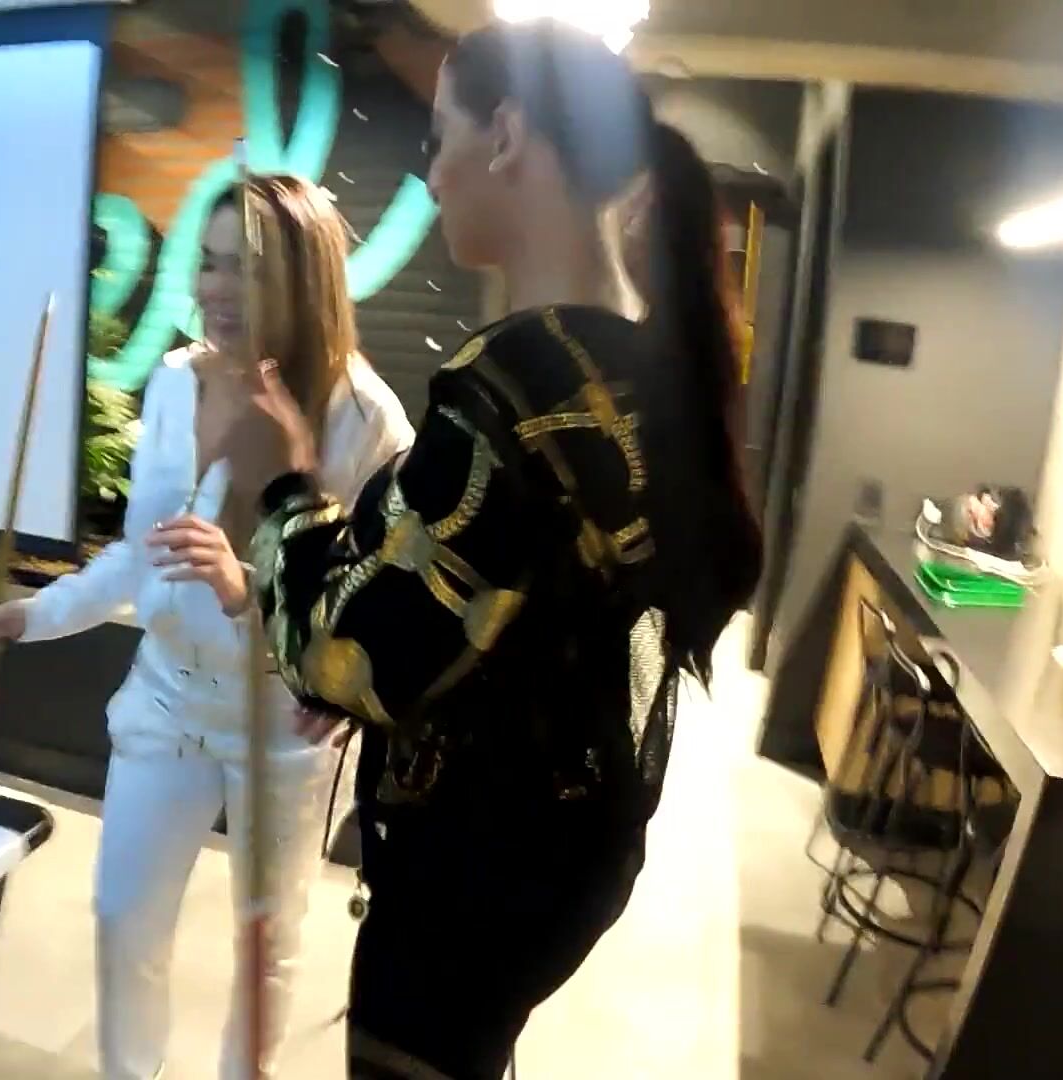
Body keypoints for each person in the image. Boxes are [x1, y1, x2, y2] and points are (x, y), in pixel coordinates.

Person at [189, 21, 763, 1080]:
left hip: (476, 878)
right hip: (566, 852)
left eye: (441, 136)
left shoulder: (516, 389)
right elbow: (499, 614)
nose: (430, 171)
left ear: (506, 135)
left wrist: (282, 482)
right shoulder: (632, 367)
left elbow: (339, 657)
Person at [0, 174, 413, 1080]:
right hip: (166, 699)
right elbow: (143, 552)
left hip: (281, 728)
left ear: (304, 281)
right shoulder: (174, 383)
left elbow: (369, 607)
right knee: (122, 915)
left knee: (265, 947)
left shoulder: (366, 419)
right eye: (207, 263)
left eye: (246, 269)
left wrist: (251, 589)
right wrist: (37, 613)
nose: (215, 288)